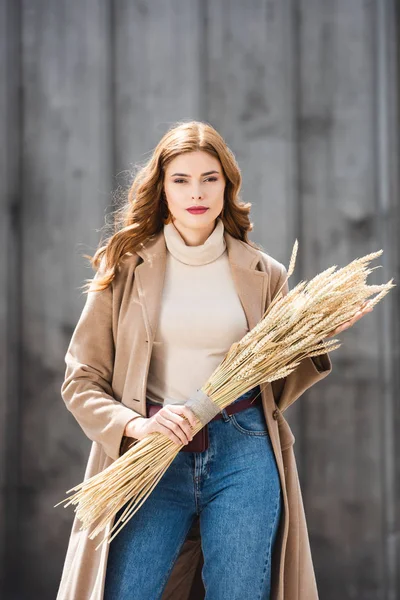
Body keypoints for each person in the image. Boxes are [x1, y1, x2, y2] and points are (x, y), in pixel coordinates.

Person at [58, 120, 373, 600]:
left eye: (210, 178)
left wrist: (314, 337)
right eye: (181, 180)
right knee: (127, 590)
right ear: (162, 189)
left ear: (228, 184)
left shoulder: (265, 273)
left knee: (240, 592)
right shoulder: (125, 268)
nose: (196, 192)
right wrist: (136, 426)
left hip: (241, 449)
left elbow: (273, 385)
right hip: (152, 451)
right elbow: (81, 380)